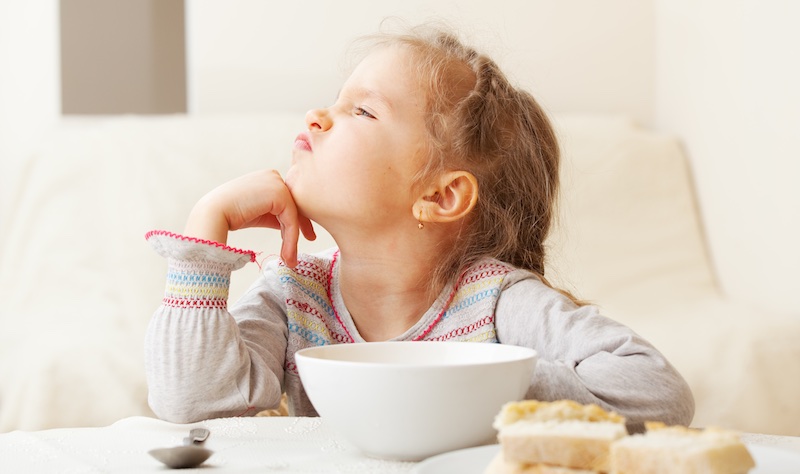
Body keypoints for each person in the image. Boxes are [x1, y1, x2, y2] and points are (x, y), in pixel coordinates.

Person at [144, 24, 694, 432]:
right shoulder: (293, 295)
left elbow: (658, 392)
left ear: (439, 195)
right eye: (337, 101)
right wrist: (205, 230)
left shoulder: (494, 301)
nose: (316, 115)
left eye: (362, 112)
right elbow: (194, 405)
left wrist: (484, 382)